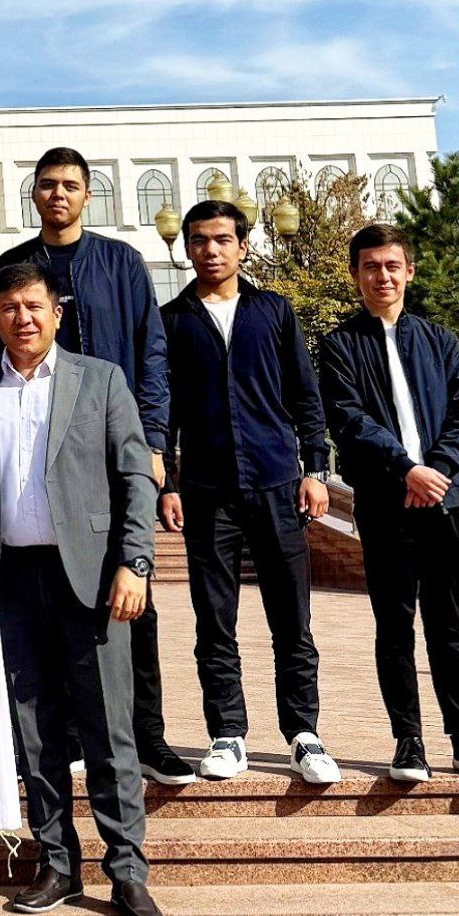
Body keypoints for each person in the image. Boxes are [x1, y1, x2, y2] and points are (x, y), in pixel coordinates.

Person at [0, 262, 165, 916]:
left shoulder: (98, 379)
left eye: (33, 305)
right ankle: (56, 861)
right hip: (10, 579)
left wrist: (134, 562)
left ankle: (126, 869)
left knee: (107, 730)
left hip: (93, 579)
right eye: (7, 307)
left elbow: (134, 477)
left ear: (57, 312)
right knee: (32, 731)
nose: (22, 318)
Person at [0, 151, 186, 787]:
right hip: (44, 450)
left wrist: (153, 440)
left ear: (87, 194)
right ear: (34, 195)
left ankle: (146, 736)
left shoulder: (121, 262)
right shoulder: (14, 268)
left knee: (130, 602)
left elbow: (151, 351)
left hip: (111, 435)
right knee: (50, 621)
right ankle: (64, 740)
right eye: (47, 185)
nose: (58, 195)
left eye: (70, 185)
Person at [318, 224, 459, 785]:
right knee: (395, 625)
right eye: (370, 267)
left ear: (408, 271)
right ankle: (408, 741)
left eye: (391, 265)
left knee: (448, 626)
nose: (381, 276)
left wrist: (440, 472)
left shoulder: (440, 342)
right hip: (386, 505)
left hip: (444, 504)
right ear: (356, 275)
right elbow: (350, 421)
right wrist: (408, 470)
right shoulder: (339, 347)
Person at [161, 199, 338, 787]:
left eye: (221, 240)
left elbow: (305, 396)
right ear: (187, 248)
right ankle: (227, 734)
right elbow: (163, 411)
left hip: (277, 485)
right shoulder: (171, 320)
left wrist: (316, 467)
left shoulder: (274, 311)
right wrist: (166, 481)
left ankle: (304, 733)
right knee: (215, 621)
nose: (210, 250)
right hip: (208, 491)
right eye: (199, 241)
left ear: (242, 246)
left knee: (293, 618)